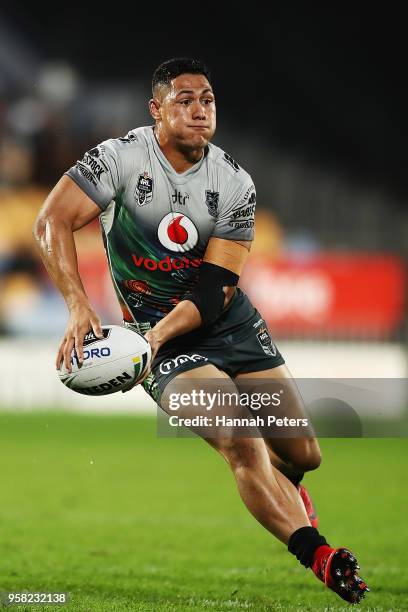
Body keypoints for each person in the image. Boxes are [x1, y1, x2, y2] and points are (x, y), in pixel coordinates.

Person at [33, 58, 369, 604]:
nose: (199, 109)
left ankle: (288, 491)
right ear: (156, 110)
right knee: (240, 442)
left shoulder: (234, 182)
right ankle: (319, 554)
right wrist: (77, 303)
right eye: (184, 99)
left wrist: (152, 338)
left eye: (207, 99)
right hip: (158, 341)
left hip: (222, 323)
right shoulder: (119, 159)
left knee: (303, 454)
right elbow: (51, 221)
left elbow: (215, 291)